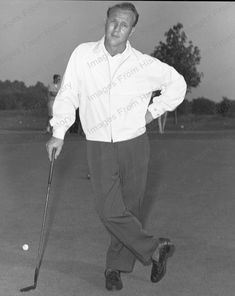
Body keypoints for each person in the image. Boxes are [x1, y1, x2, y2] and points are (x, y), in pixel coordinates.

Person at [46, 2, 187, 291]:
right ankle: (155, 249)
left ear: (132, 29)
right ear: (106, 21)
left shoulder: (143, 64)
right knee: (108, 209)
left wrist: (151, 113)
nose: (117, 28)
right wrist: (59, 132)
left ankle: (115, 268)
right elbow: (69, 92)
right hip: (98, 143)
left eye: (124, 24)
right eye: (113, 21)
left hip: (134, 142)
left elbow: (178, 85)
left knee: (130, 209)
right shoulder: (83, 55)